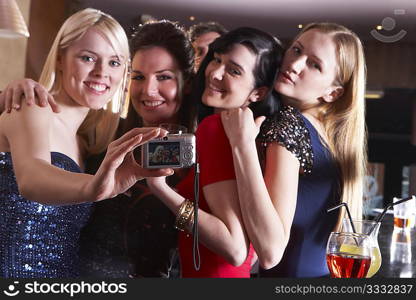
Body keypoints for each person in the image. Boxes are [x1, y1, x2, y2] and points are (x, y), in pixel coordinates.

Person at [0, 20, 196, 278]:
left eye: (114, 62)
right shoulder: (94, 133)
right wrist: (15, 89)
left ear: (187, 82)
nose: (102, 72)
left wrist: (165, 194)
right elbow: (33, 173)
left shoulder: (96, 138)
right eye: (88, 58)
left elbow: (233, 248)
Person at [220, 22, 367, 277]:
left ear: (333, 93)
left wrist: (241, 144)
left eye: (314, 64)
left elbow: (269, 252)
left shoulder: (289, 124)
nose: (295, 65)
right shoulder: (327, 136)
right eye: (297, 50)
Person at [147, 27, 283, 277]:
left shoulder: (216, 128)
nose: (215, 73)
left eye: (233, 70)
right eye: (217, 59)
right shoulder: (250, 135)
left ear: (258, 92)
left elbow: (234, 248)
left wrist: (161, 189)